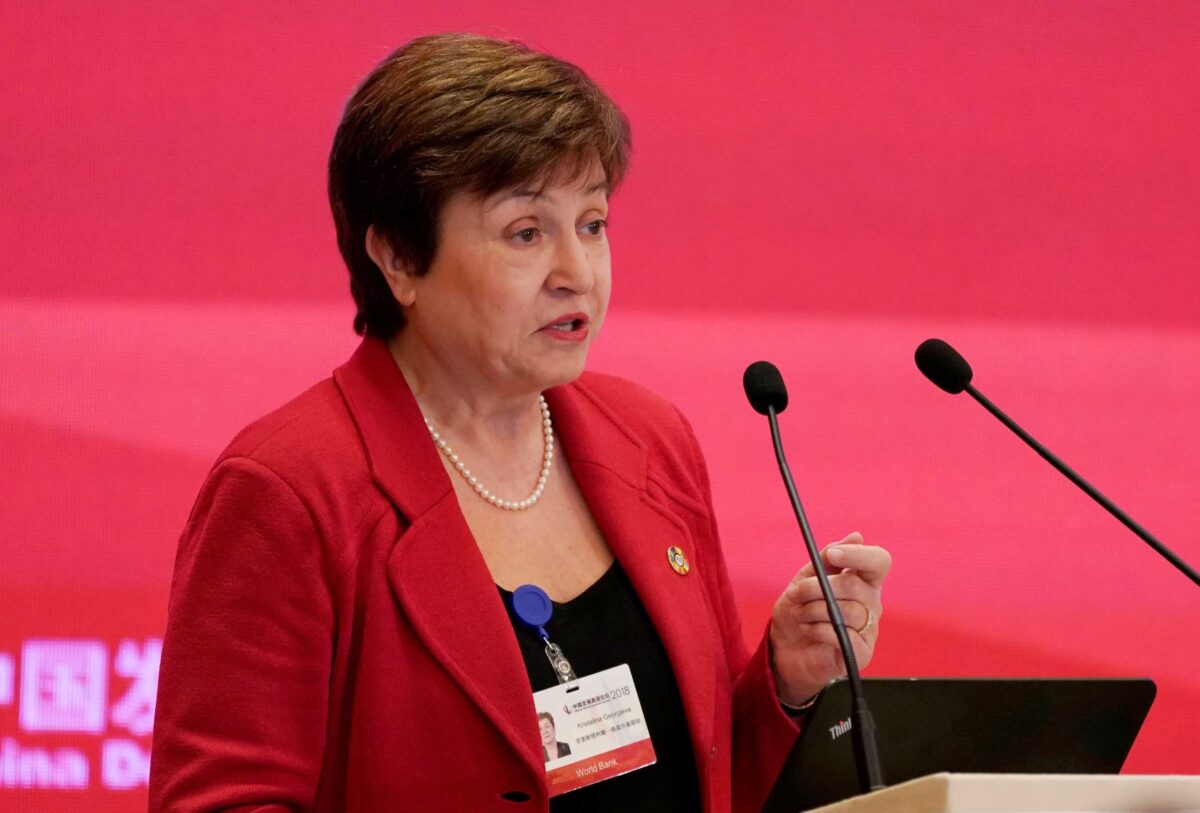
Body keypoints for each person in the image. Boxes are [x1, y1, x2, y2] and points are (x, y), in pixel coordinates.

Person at [148, 33, 891, 812]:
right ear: (399, 256)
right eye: (526, 233)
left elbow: (699, 777)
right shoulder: (290, 489)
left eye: (594, 223)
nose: (577, 272)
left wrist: (787, 679)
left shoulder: (649, 441)